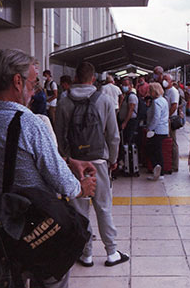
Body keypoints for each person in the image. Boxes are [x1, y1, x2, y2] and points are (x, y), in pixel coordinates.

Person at [0, 49, 98, 288]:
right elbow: (62, 182)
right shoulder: (30, 123)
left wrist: (67, 161)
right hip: (42, 226)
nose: (35, 89)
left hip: (4, 229)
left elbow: (15, 157)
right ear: (17, 81)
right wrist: (83, 188)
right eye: (33, 82)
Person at [53, 61, 128, 269]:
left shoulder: (64, 100)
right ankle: (112, 252)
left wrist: (66, 159)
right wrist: (112, 159)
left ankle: (85, 254)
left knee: (79, 210)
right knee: (103, 207)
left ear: (76, 77)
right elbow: (113, 135)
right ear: (93, 78)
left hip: (75, 162)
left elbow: (59, 134)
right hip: (99, 161)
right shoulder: (103, 99)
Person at [144, 82, 169, 181]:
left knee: (151, 150)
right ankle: (159, 171)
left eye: (150, 90)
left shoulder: (156, 102)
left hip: (157, 130)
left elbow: (156, 117)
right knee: (157, 151)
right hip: (163, 129)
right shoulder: (163, 100)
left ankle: (157, 168)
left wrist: (150, 128)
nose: (149, 92)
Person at [118, 77, 140, 162]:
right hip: (127, 122)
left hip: (130, 123)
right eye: (123, 85)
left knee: (128, 141)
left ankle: (129, 160)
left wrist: (125, 123)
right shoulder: (127, 96)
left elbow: (131, 110)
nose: (124, 87)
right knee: (126, 141)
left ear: (131, 86)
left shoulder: (132, 97)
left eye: (126, 85)